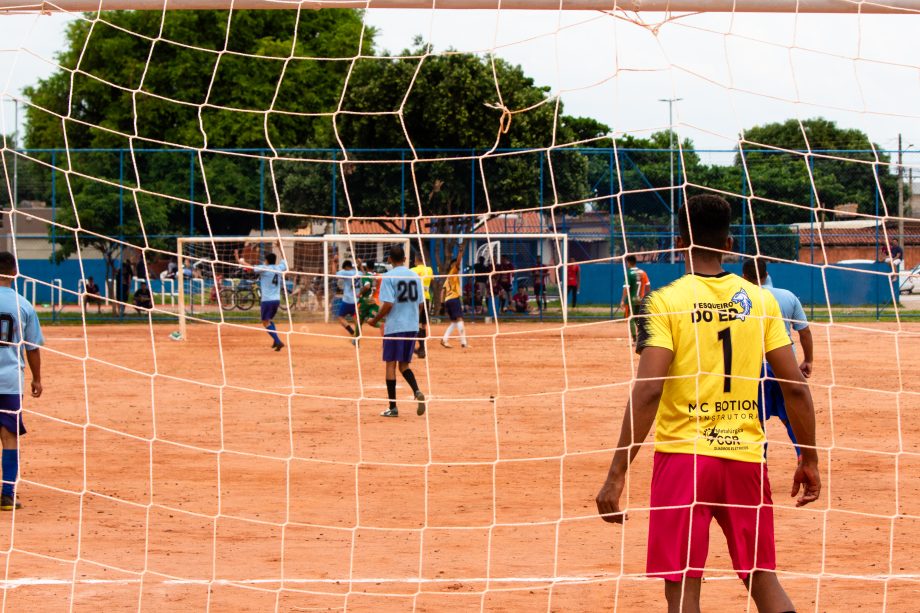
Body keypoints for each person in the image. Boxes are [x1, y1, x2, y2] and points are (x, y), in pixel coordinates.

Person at [595, 194, 821, 613]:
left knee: (682, 589)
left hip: (684, 458)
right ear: (730, 242)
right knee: (762, 578)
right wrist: (809, 457)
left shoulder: (664, 301)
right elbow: (795, 388)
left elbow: (648, 390)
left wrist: (616, 473)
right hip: (745, 457)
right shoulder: (761, 301)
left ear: (681, 240)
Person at [742, 258, 814, 459]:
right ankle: (803, 457)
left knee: (754, 419)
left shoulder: (741, 299)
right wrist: (808, 360)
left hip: (753, 367)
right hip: (784, 366)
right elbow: (805, 332)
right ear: (767, 274)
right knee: (792, 415)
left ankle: (759, 463)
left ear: (744, 277)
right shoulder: (787, 296)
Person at [0, 252, 43, 511]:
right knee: (9, 437)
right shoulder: (23, 304)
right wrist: (37, 379)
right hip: (10, 381)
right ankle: (7, 495)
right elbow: (33, 348)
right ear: (14, 273)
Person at [367, 246, 426, 418]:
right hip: (412, 326)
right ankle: (416, 391)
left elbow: (388, 304)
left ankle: (393, 408)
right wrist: (414, 320)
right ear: (405, 258)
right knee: (404, 365)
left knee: (391, 364)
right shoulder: (415, 276)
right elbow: (421, 304)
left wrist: (375, 320)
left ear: (389, 259)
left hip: (395, 326)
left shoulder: (389, 276)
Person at [235, 245, 287, 352]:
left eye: (265, 260)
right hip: (276, 300)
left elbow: (250, 267)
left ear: (267, 261)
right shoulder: (280, 267)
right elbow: (284, 258)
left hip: (267, 300)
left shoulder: (264, 268)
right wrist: (280, 247)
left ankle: (278, 341)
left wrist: (240, 260)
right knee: (269, 320)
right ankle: (275, 341)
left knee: (265, 322)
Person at [620, 255, 651, 341]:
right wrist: (647, 297)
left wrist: (622, 300)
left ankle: (634, 338)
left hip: (631, 300)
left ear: (628, 262)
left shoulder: (629, 273)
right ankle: (644, 337)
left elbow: (626, 287)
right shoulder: (643, 272)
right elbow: (648, 286)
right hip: (641, 299)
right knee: (638, 319)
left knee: (630, 318)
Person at [440, 257, 468, 349]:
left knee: (454, 322)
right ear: (452, 265)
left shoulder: (448, 277)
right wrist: (460, 253)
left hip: (448, 300)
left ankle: (444, 339)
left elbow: (442, 291)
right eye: (456, 264)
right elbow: (458, 262)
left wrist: (442, 304)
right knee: (459, 319)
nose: (458, 265)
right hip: (454, 298)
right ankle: (464, 343)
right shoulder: (453, 271)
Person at [410, 253, 434, 359]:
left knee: (414, 323)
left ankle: (413, 348)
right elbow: (431, 281)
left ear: (416, 260)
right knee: (424, 324)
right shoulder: (429, 269)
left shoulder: (412, 270)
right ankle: (422, 348)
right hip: (426, 298)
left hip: (415, 299)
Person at [352, 263, 381, 347]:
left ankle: (356, 341)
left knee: (359, 320)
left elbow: (367, 286)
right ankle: (383, 326)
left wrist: (360, 293)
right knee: (371, 320)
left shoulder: (365, 276)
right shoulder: (377, 276)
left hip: (365, 301)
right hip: (375, 301)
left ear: (367, 267)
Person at [335, 259, 360, 340]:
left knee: (340, 317)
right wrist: (360, 265)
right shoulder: (359, 273)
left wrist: (334, 262)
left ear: (346, 267)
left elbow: (335, 274)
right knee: (356, 319)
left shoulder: (346, 272)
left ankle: (352, 332)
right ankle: (357, 334)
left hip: (347, 300)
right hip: (357, 300)